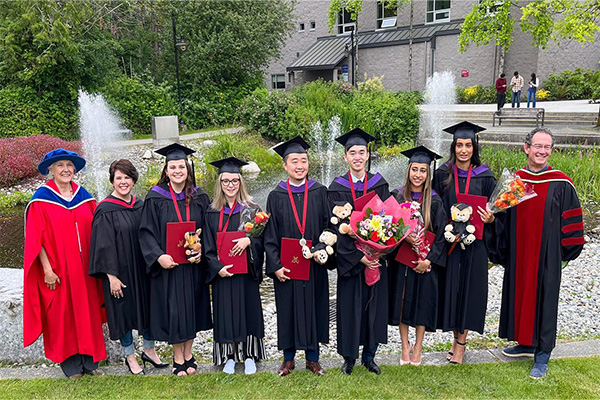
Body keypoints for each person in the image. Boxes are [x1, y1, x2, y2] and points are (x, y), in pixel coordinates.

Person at [494, 128, 584, 379]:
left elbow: (573, 223)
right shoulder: (516, 181)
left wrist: (562, 254)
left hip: (547, 256)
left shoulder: (561, 183)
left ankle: (543, 353)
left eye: (547, 147)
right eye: (538, 146)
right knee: (520, 294)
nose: (542, 151)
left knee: (545, 300)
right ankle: (525, 343)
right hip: (519, 254)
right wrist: (494, 220)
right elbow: (504, 219)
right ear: (527, 148)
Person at [23, 148, 106, 379]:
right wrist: (47, 269)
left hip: (85, 269)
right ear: (50, 170)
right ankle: (70, 366)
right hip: (57, 269)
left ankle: (90, 363)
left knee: (88, 312)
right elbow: (34, 240)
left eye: (69, 165)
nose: (66, 169)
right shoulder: (41, 200)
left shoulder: (84, 196)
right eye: (60, 165)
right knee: (63, 316)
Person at [138, 143, 212, 376]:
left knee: (193, 310)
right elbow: (146, 232)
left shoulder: (199, 197)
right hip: (169, 266)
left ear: (188, 169)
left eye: (182, 166)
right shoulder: (155, 197)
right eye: (173, 167)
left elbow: (208, 229)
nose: (178, 170)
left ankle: (189, 354)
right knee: (175, 312)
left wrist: (202, 251)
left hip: (193, 266)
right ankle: (177, 357)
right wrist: (158, 256)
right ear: (166, 170)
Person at [89, 159, 168, 375]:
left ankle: (149, 351)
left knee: (148, 309)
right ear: (112, 181)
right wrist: (111, 276)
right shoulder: (105, 209)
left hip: (143, 269)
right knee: (123, 313)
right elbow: (102, 247)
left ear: (134, 180)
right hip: (120, 272)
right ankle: (130, 356)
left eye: (127, 177)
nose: (123, 182)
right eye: (118, 178)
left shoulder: (140, 204)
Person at [264, 136, 333, 377]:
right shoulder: (276, 196)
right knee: (288, 309)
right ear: (285, 165)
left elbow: (329, 228)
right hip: (288, 267)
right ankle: (288, 359)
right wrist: (275, 267)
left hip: (313, 265)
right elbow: (269, 236)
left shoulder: (319, 192)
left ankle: (313, 359)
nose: (300, 165)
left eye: (304, 160)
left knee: (314, 308)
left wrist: (323, 250)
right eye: (295, 161)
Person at [432, 121, 497, 365]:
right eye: (459, 145)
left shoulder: (486, 176)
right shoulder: (442, 173)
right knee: (452, 290)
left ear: (474, 147)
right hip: (450, 244)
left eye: (468, 145)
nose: (463, 150)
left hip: (475, 244)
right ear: (454, 146)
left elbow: (496, 211)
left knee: (469, 292)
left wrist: (491, 218)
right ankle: (454, 338)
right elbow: (435, 207)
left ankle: (461, 344)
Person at [327, 128, 390, 375]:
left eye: (361, 152)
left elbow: (389, 222)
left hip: (375, 259)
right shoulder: (336, 188)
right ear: (345, 157)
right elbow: (333, 227)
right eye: (352, 153)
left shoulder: (379, 184)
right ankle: (349, 358)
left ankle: (370, 356)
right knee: (349, 308)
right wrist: (358, 256)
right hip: (351, 260)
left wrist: (376, 253)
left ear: (368, 155)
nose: (357, 157)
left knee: (373, 307)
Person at [203, 157, 266, 375]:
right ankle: (229, 356)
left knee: (248, 311)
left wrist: (250, 241)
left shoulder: (252, 209)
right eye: (226, 181)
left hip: (246, 273)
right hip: (223, 274)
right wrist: (216, 267)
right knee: (225, 313)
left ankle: (249, 355)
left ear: (241, 182)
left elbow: (264, 241)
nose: (230, 185)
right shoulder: (211, 212)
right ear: (219, 184)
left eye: (234, 181)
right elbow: (207, 246)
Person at [389, 146, 447, 366]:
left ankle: (418, 346)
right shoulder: (397, 196)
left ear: (428, 174)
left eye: (423, 170)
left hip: (425, 263)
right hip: (402, 262)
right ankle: (405, 345)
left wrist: (429, 260)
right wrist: (403, 238)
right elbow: (389, 229)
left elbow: (441, 235)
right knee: (402, 301)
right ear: (408, 170)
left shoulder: (435, 201)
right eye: (415, 169)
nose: (418, 175)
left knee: (422, 303)